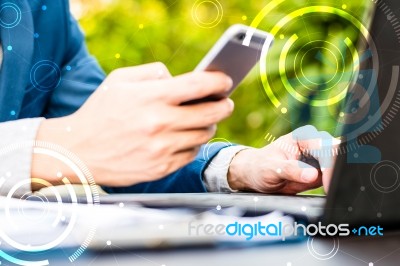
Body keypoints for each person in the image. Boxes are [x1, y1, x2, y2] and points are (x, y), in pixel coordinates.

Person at [0, 0, 334, 197]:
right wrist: (48, 150)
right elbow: (84, 144)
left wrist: (239, 167)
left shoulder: (44, 10)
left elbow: (120, 144)